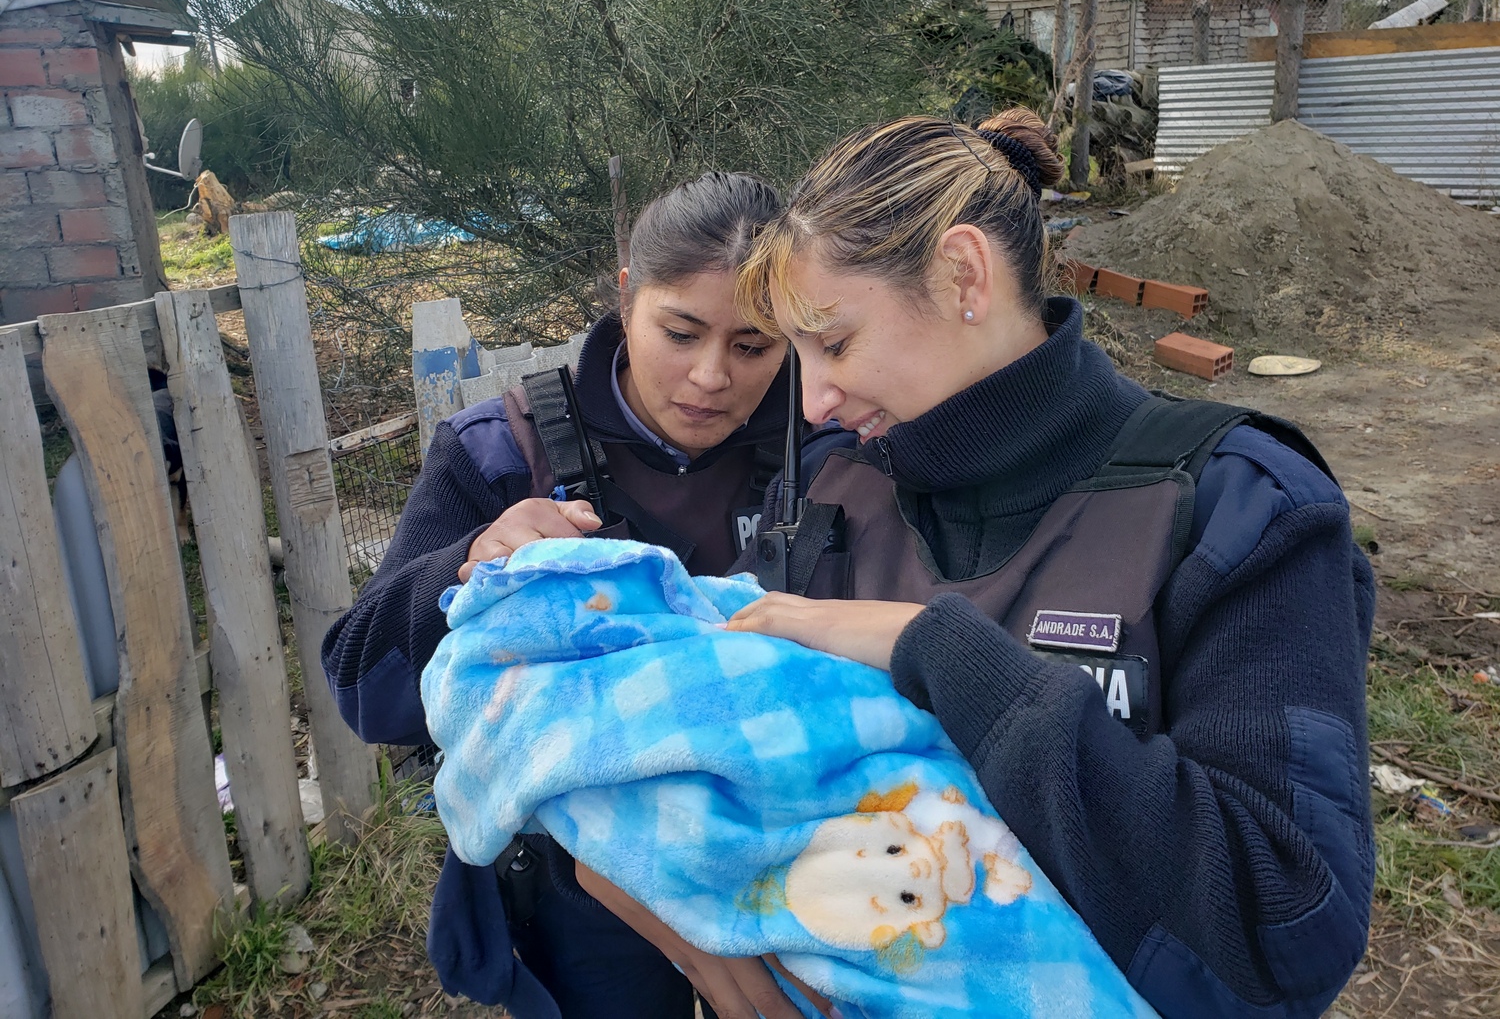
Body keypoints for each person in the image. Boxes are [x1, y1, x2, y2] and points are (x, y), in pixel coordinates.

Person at [577, 110, 1377, 1019]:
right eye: (794, 353)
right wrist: (647, 877)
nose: (816, 397)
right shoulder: (834, 496)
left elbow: (1289, 921)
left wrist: (939, 649)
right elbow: (727, 763)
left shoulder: (1237, 505)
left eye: (833, 342)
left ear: (965, 274)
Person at [322, 171, 819, 1019]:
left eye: (753, 346)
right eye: (682, 331)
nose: (710, 377)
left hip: (786, 862)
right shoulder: (499, 453)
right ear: (627, 296)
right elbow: (362, 687)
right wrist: (464, 564)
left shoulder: (828, 452)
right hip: (577, 886)